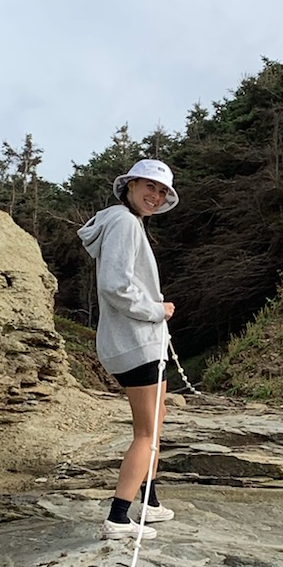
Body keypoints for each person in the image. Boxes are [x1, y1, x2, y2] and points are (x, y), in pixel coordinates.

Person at [77, 158, 179, 541]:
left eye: (162, 191)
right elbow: (116, 285)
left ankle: (148, 502)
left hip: (138, 341)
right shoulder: (122, 221)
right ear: (130, 186)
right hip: (136, 343)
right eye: (149, 187)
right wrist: (157, 310)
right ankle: (118, 518)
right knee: (146, 433)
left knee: (158, 417)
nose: (155, 196)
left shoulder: (125, 221)